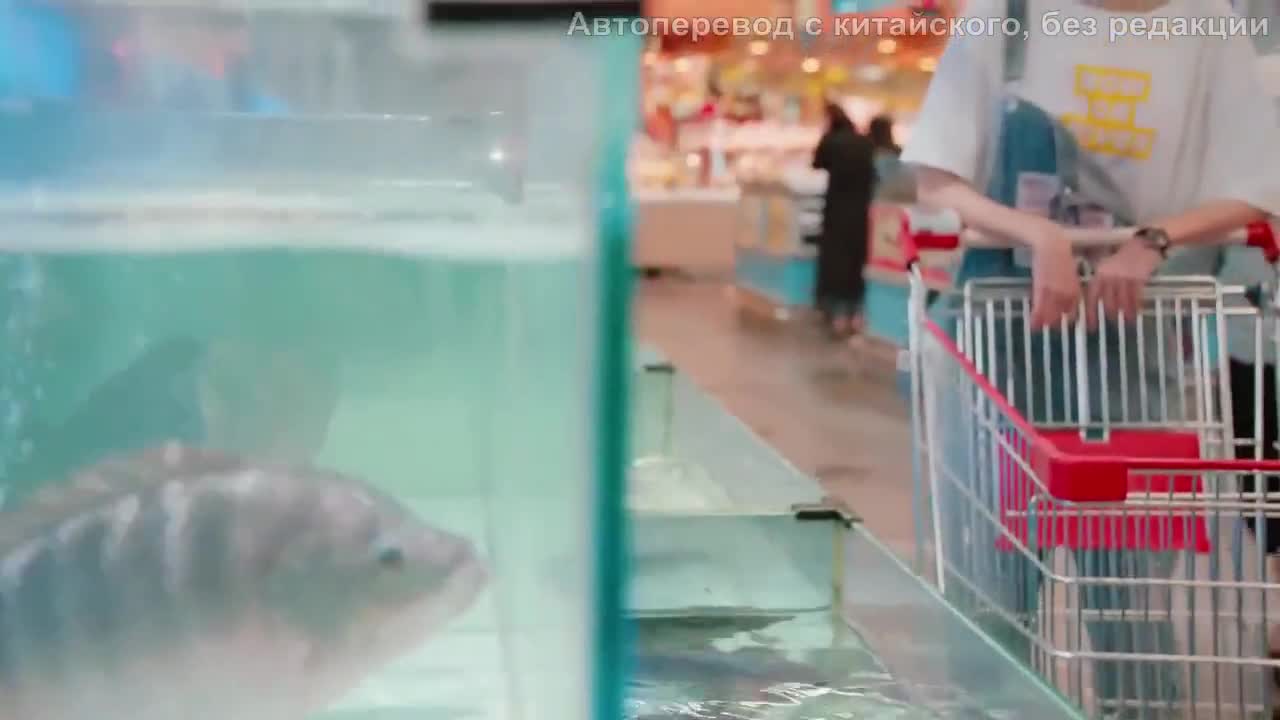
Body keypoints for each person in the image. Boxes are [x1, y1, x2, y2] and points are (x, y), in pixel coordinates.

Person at [903, 0, 1280, 716]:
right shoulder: (1008, 14)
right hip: (1000, 338)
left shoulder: (1206, 23)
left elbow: (1258, 186)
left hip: (1134, 334)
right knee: (993, 600)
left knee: (1130, 605)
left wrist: (1154, 240)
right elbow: (937, 180)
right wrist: (1038, 234)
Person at [812, 101, 876, 339]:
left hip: (837, 209)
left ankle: (837, 313)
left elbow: (817, 164)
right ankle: (856, 312)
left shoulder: (831, 141)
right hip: (862, 211)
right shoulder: (865, 142)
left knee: (835, 261)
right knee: (856, 261)